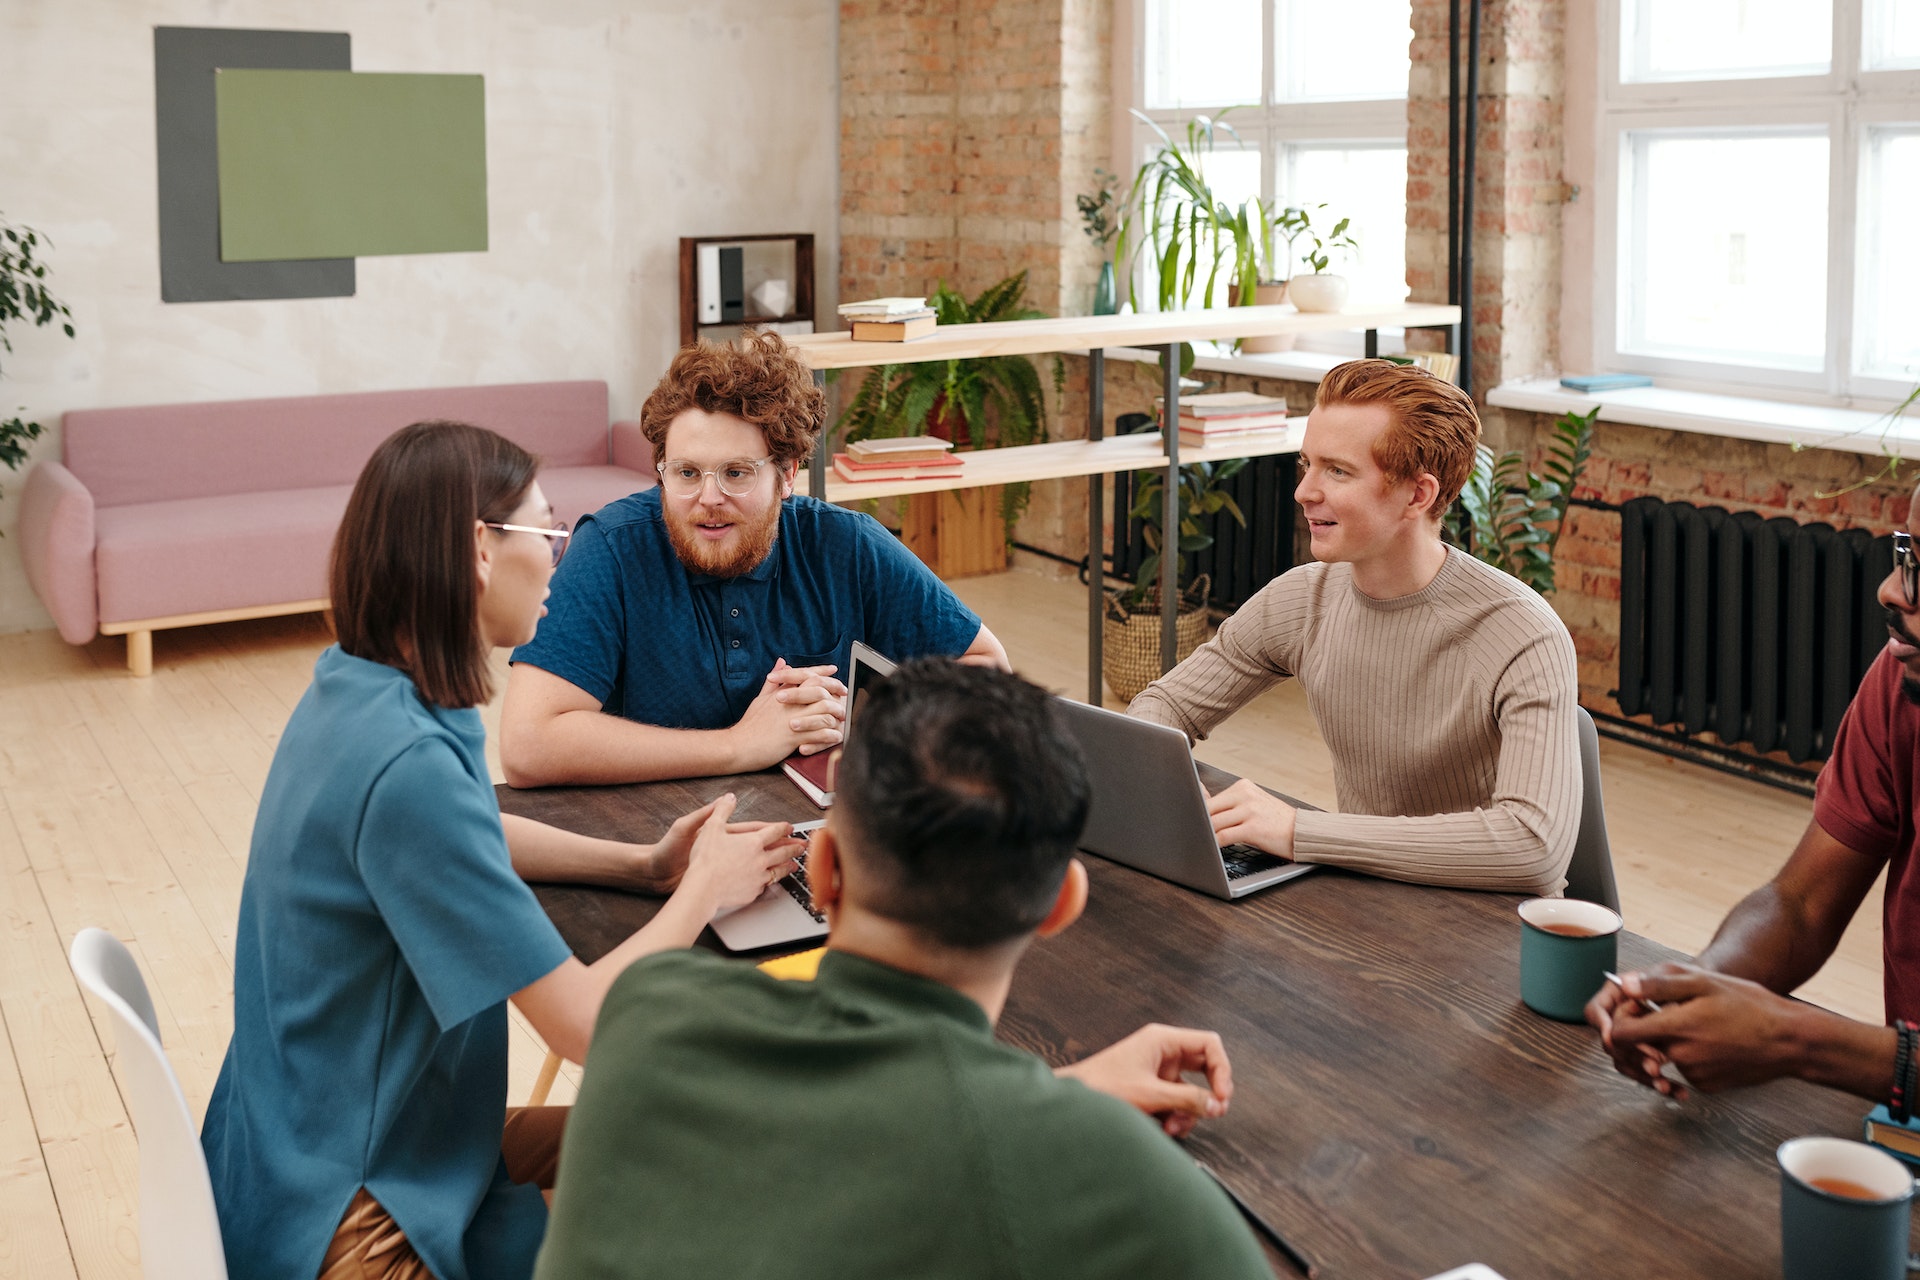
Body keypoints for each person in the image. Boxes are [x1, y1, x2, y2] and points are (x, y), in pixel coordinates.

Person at [199, 421, 804, 1280]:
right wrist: (702, 890)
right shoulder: (406, 768)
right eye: (547, 533)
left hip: (308, 1155)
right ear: (481, 550)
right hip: (366, 1224)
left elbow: (467, 832)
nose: (558, 559)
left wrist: (643, 866)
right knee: (732, 1202)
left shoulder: (359, 689)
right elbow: (588, 1026)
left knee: (697, 1142)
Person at [532, 660, 1273, 1279]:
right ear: (1061, 905)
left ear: (824, 869)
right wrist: (1058, 1113)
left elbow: (841, 1141)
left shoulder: (647, 1010)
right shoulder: (1128, 1184)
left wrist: (1055, 1101)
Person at [1127, 358, 1581, 896]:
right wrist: (1177, 793)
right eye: (1307, 464)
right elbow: (1164, 707)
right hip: (1367, 894)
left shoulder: (1523, 634)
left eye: (1337, 471)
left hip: (1486, 918)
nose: (1304, 491)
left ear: (1418, 495)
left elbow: (1533, 847)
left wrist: (1297, 830)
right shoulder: (1302, 599)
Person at [500, 333, 1008, 787]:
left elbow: (987, 669)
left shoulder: (847, 544)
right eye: (686, 473)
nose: (708, 498)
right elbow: (527, 744)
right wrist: (739, 745)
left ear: (786, 475)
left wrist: (862, 718)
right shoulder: (611, 546)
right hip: (654, 834)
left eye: (736, 473)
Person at [1587, 485, 1920, 1104]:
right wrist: (1699, 983)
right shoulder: (1901, 682)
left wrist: (1798, 1040)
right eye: (1909, 555)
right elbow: (1801, 903)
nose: (1891, 590)